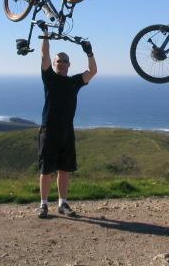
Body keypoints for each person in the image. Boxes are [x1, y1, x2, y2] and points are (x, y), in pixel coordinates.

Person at [36, 27, 97, 219]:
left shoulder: (74, 82)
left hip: (66, 131)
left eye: (64, 61)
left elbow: (92, 71)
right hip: (49, 130)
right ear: (54, 64)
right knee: (46, 170)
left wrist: (89, 52)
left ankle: (63, 204)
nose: (61, 63)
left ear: (69, 65)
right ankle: (43, 205)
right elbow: (44, 54)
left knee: (64, 169)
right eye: (58, 61)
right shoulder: (49, 78)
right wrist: (45, 34)